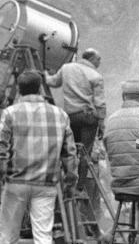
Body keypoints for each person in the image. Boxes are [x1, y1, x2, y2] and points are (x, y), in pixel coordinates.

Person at [0, 71, 77, 244]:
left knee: (8, 234)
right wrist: (70, 180)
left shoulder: (10, 113)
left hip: (16, 183)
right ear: (40, 89)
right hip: (46, 184)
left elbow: (0, 151)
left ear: (18, 89)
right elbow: (69, 153)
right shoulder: (60, 115)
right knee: (43, 235)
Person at [44, 48, 106, 184]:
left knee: (71, 149)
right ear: (91, 59)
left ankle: (68, 179)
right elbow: (100, 103)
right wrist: (101, 123)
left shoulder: (66, 68)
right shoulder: (96, 76)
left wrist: (45, 74)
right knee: (85, 152)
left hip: (70, 116)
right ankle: (80, 186)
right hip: (88, 117)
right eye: (98, 59)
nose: (100, 62)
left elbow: (53, 82)